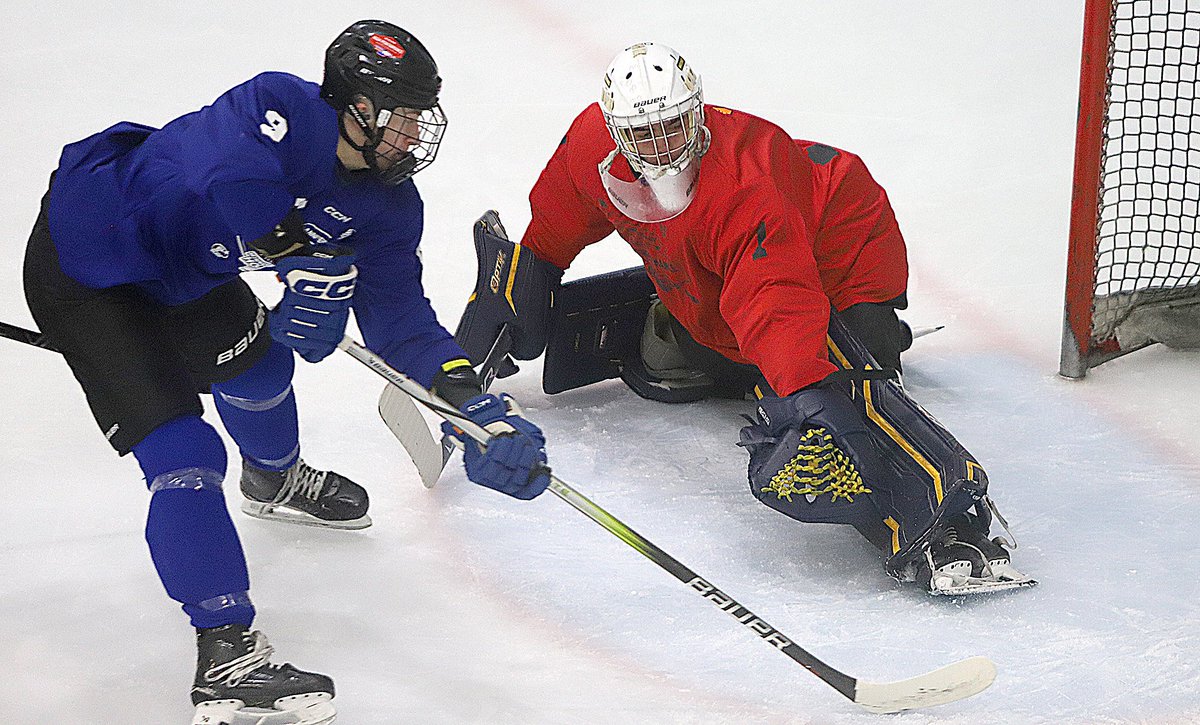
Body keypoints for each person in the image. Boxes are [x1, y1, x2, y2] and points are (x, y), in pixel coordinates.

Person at [22, 20, 549, 725]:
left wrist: (473, 406)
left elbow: (401, 321)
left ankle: (273, 477)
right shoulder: (277, 107)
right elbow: (226, 180)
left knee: (263, 366)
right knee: (185, 454)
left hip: (189, 277)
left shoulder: (390, 208)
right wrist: (301, 257)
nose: (415, 135)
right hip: (94, 261)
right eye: (403, 117)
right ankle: (226, 654)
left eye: (423, 117)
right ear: (356, 107)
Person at [454, 42, 1034, 597]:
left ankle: (949, 525)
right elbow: (557, 217)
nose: (658, 147)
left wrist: (811, 393)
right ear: (613, 130)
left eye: (672, 126)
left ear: (697, 113)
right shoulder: (592, 147)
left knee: (842, 395)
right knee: (725, 358)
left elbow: (777, 300)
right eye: (639, 134)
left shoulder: (747, 177)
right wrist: (516, 287)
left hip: (839, 255)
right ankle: (673, 322)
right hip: (719, 275)